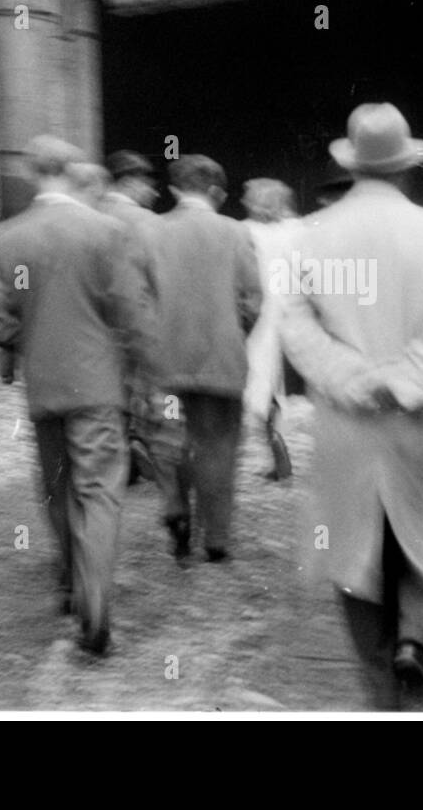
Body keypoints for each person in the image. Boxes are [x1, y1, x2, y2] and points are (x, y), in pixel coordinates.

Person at [280, 103, 423, 710]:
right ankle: (417, 644)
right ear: (404, 169)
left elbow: (296, 327)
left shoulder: (310, 237)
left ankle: (381, 689)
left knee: (356, 548)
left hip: (349, 423)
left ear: (352, 163)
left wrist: (353, 377)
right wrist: (410, 375)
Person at [0, 135, 156, 656]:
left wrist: (8, 363)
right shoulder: (105, 232)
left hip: (44, 386)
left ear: (35, 173)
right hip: (99, 386)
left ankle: (68, 574)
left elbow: (2, 320)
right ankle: (96, 601)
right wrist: (145, 375)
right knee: (100, 491)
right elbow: (130, 312)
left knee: (56, 488)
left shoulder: (6, 239)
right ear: (72, 169)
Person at [149, 154, 262, 562]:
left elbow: (138, 297)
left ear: (174, 189)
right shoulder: (235, 232)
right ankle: (215, 541)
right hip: (220, 358)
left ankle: (176, 508)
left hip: (164, 359)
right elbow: (253, 297)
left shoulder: (152, 231)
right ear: (215, 191)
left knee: (172, 439)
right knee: (218, 445)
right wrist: (235, 329)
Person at [99, 150, 166, 487]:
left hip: (97, 324)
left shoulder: (88, 213)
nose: (152, 192)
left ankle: (116, 456)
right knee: (149, 387)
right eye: (145, 183)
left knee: (108, 393)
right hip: (140, 317)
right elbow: (162, 278)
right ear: (127, 182)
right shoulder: (148, 223)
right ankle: (142, 447)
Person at [240, 178, 299, 482]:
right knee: (274, 383)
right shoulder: (297, 230)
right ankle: (278, 449)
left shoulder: (244, 231)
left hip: (259, 311)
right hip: (293, 312)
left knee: (261, 382)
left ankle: (276, 451)